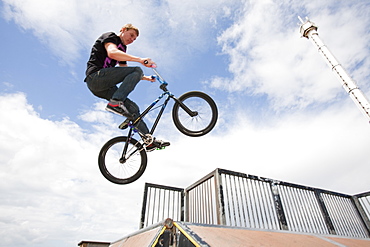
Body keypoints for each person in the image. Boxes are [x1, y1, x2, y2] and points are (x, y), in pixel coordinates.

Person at [84, 24, 169, 151]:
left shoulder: (122, 49)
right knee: (137, 69)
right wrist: (140, 60)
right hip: (95, 77)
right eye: (131, 35)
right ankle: (115, 103)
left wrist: (145, 78)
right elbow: (112, 53)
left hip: (103, 87)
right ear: (123, 30)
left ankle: (148, 140)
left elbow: (125, 71)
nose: (132, 40)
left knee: (133, 109)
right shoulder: (110, 37)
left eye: (134, 39)